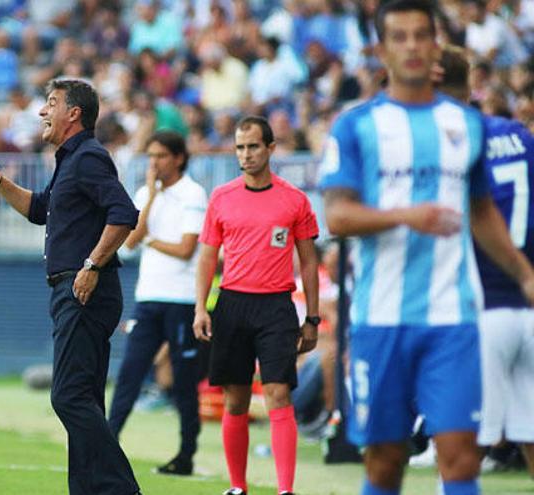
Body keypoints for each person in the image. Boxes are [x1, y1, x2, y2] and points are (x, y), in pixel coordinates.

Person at [318, 2, 534, 495]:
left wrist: (524, 274)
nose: (412, 45)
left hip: (453, 319)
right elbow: (338, 216)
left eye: (422, 35)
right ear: (380, 49)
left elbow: (481, 210)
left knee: (460, 460)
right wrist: (405, 215)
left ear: (436, 44)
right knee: (386, 462)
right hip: (380, 318)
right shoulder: (356, 126)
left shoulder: (467, 126)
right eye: (400, 36)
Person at [0, 78, 141, 495]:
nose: (42, 111)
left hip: (82, 291)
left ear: (73, 113)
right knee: (85, 399)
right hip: (78, 291)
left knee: (68, 397)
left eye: (51, 103)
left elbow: (124, 213)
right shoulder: (71, 160)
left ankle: (121, 489)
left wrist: (92, 264)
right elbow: (40, 209)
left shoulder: (89, 157)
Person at [194, 116, 321, 495]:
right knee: (236, 399)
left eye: (252, 147)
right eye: (239, 148)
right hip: (231, 304)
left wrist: (312, 317)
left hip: (276, 307)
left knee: (278, 393)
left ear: (270, 149)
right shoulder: (221, 197)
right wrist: (201, 307)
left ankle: (285, 490)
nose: (245, 155)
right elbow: (206, 257)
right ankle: (237, 486)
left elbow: (310, 262)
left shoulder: (295, 200)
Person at [438, 44, 534, 478]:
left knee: (462, 447)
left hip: (479, 308)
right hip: (528, 303)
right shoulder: (520, 136)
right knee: (530, 432)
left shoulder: (451, 142)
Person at [107, 130, 208, 476]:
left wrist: (149, 237)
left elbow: (186, 250)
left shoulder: (193, 193)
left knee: (183, 380)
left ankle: (186, 454)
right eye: (150, 156)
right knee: (129, 374)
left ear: (178, 158)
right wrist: (149, 198)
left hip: (180, 299)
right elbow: (131, 242)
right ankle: (106, 446)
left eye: (161, 156)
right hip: (148, 298)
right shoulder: (144, 193)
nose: (154, 163)